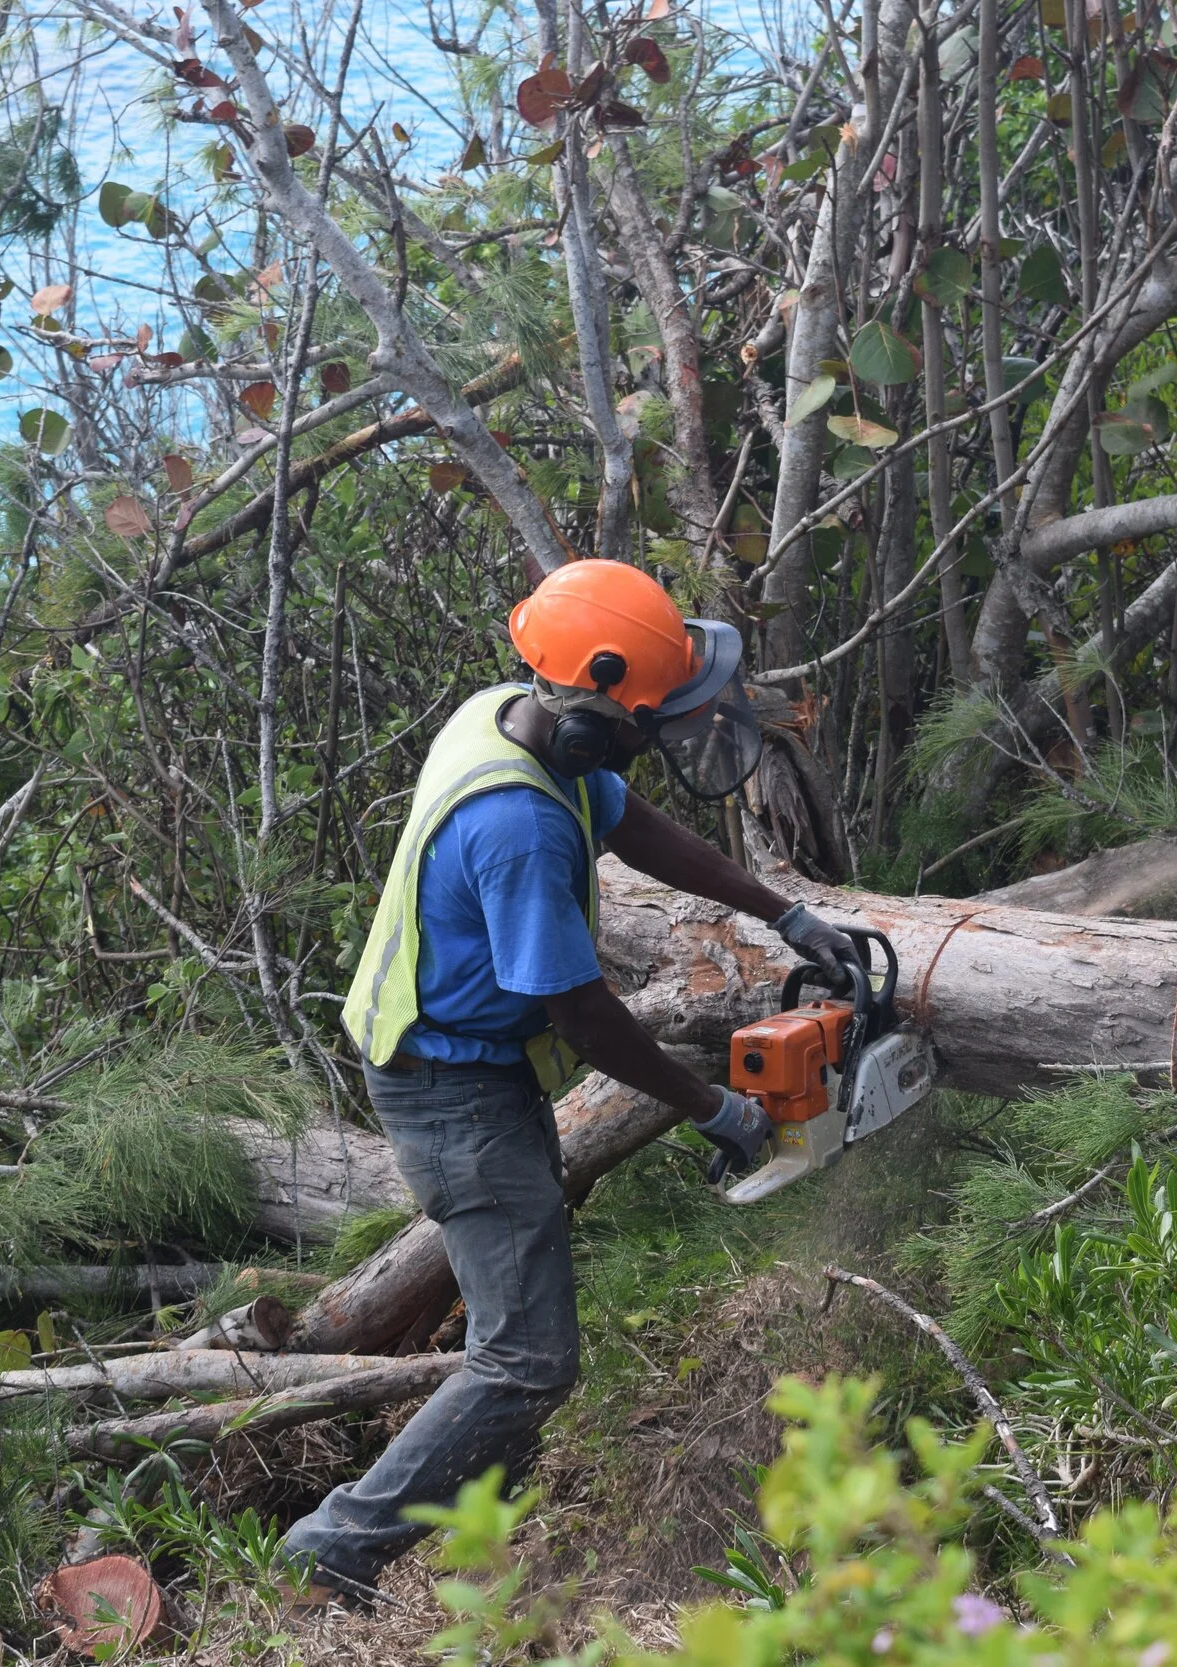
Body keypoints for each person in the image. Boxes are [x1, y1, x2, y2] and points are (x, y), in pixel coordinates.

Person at [281, 559, 860, 1604]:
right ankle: (334, 1548)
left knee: (522, 1345)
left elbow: (636, 826)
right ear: (594, 709)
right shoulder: (516, 826)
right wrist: (720, 1108)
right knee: (525, 1361)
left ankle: (476, 1553)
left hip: (462, 1062)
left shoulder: (516, 715)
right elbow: (583, 1013)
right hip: (450, 1090)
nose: (666, 732)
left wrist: (781, 910)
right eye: (655, 716)